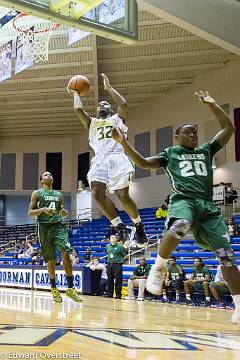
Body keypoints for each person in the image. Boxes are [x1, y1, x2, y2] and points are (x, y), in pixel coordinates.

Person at [112, 90, 240, 324]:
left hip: (208, 208)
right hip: (184, 200)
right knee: (180, 224)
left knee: (227, 257)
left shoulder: (205, 150)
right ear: (177, 136)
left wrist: (212, 104)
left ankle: (239, 306)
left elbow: (229, 129)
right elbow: (143, 163)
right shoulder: (171, 153)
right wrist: (124, 143)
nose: (193, 135)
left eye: (195, 132)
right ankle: (158, 268)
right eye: (188, 132)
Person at [68, 73, 147, 248]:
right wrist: (75, 94)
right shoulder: (92, 123)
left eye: (105, 104)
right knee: (96, 193)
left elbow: (124, 104)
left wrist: (109, 89)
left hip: (117, 157)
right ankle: (119, 227)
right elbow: (78, 110)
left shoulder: (116, 119)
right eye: (99, 105)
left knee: (122, 195)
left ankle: (139, 226)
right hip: (99, 160)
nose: (102, 105)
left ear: (111, 110)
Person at [28, 171, 82, 303]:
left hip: (58, 226)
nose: (49, 176)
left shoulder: (59, 195)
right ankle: (54, 289)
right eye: (46, 175)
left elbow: (62, 213)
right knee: (51, 259)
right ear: (42, 180)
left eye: (50, 175)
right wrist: (42, 210)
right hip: (44, 228)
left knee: (66, 250)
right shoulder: (37, 193)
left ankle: (70, 288)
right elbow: (30, 213)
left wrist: (64, 213)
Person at [105, 234, 129, 299]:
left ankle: (118, 295)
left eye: (114, 238)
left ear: (116, 239)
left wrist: (120, 261)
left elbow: (125, 256)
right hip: (109, 265)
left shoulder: (120, 246)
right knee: (109, 280)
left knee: (118, 281)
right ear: (109, 239)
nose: (112, 239)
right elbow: (107, 254)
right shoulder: (107, 246)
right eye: (111, 238)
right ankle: (109, 294)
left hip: (117, 265)